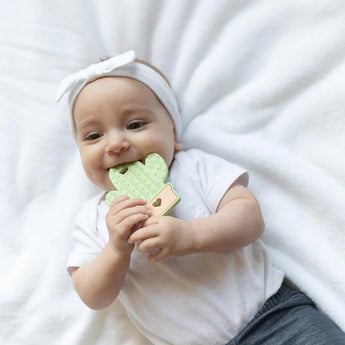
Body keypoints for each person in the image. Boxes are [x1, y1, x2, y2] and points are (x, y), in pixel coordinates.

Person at [57, 51, 345, 345]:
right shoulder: (94, 219)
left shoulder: (194, 168)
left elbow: (249, 218)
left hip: (275, 318)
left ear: (173, 133)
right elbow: (92, 294)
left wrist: (190, 235)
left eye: (135, 125)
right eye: (93, 136)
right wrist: (116, 250)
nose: (116, 144)